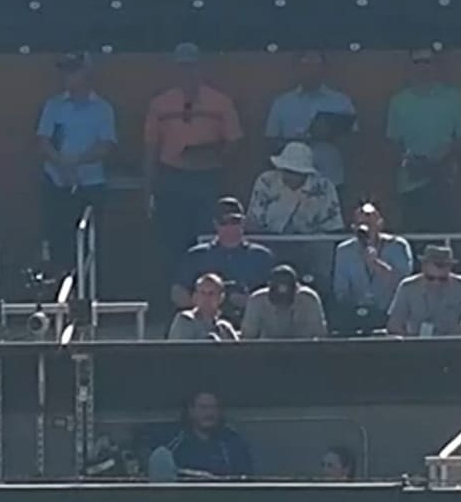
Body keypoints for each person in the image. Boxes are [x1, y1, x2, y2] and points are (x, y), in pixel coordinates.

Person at [143, 42, 244, 256]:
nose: (187, 72)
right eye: (182, 67)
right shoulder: (160, 103)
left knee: (207, 236)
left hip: (208, 178)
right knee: (173, 238)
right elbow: (151, 146)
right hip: (172, 178)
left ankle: (208, 286)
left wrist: (214, 157)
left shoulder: (220, 102)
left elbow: (234, 140)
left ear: (201, 68)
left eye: (191, 66)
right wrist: (149, 187)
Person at [34, 53, 117, 265]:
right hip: (56, 184)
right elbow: (43, 141)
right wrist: (62, 165)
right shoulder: (53, 106)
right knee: (58, 242)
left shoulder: (103, 108)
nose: (66, 77)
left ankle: (90, 291)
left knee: (91, 243)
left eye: (72, 71)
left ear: (86, 72)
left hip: (90, 185)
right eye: (64, 72)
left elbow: (106, 144)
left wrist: (76, 163)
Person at [386, 46, 461, 233]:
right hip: (411, 181)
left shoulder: (453, 97)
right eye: (418, 62)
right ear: (410, 66)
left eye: (428, 62)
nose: (423, 67)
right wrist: (409, 162)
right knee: (414, 237)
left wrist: (443, 155)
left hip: (445, 180)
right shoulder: (398, 101)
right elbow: (393, 143)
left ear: (436, 66)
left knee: (443, 238)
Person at [263, 50, 357, 196]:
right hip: (292, 181)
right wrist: (296, 142)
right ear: (297, 69)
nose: (311, 71)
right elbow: (270, 140)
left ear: (324, 69)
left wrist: (330, 136)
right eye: (306, 65)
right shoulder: (282, 103)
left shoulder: (341, 102)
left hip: (330, 177)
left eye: (315, 65)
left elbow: (353, 140)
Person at [171, 199, 274, 311]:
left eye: (235, 221)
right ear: (215, 224)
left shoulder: (262, 256)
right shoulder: (196, 255)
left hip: (250, 321)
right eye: (223, 222)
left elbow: (276, 297)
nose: (230, 226)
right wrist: (204, 303)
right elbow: (177, 292)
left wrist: (249, 302)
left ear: (243, 222)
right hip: (204, 323)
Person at [328, 201, 414, 334]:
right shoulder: (344, 250)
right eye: (360, 226)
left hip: (389, 313)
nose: (365, 230)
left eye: (369, 224)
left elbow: (403, 284)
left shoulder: (398, 246)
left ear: (380, 224)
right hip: (356, 315)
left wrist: (376, 264)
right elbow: (340, 290)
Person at [245, 141, 345, 239]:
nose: (289, 176)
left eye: (295, 172)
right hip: (269, 241)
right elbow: (253, 223)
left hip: (312, 244)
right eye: (286, 170)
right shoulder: (266, 182)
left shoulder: (324, 187)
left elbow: (333, 227)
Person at [147, 390, 253, 481]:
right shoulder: (173, 444)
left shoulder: (233, 442)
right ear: (191, 411)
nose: (209, 413)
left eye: (213, 408)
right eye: (203, 408)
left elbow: (244, 478)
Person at [387, 243, 461, 337]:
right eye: (430, 278)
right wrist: (411, 341)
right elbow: (394, 324)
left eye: (442, 279)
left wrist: (451, 337)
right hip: (415, 346)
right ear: (423, 268)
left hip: (452, 346)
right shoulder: (407, 286)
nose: (436, 283)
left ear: (450, 269)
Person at [239, 263, 328, 339]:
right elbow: (247, 337)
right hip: (265, 353)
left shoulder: (309, 299)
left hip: (303, 353)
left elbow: (320, 335)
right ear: (269, 286)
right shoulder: (257, 300)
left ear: (297, 288)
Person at [168, 273, 240, 341]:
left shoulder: (224, 328)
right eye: (202, 293)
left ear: (221, 298)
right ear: (195, 296)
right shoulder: (185, 320)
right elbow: (176, 351)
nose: (206, 298)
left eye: (211, 293)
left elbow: (239, 350)